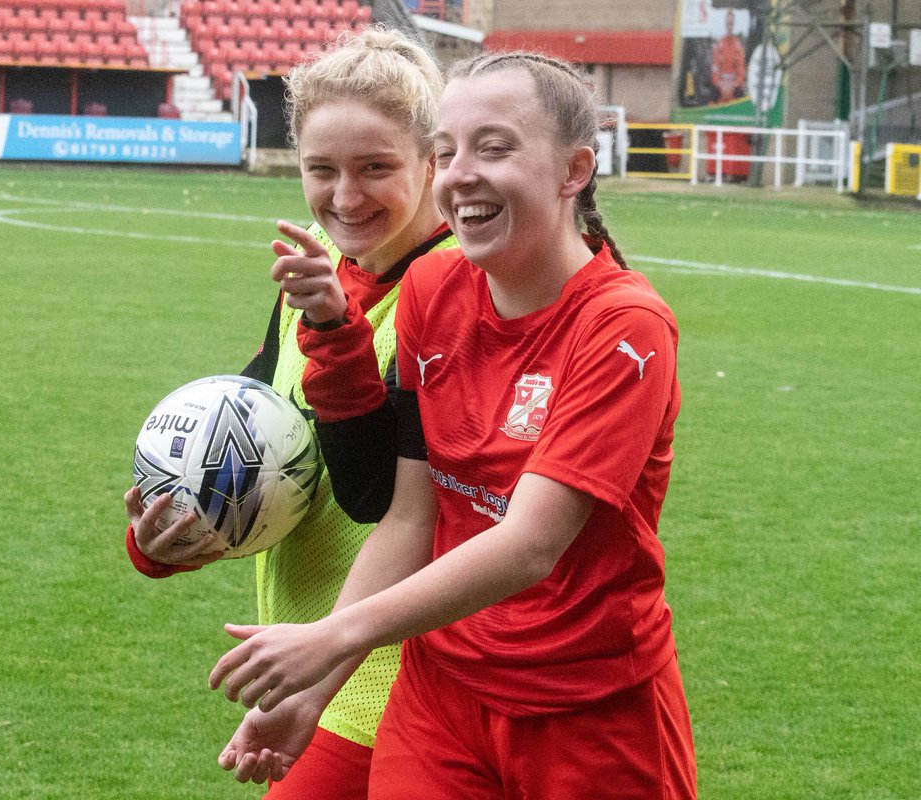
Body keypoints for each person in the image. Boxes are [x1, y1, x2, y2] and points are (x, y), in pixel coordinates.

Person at [209, 50, 697, 800]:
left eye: (494, 148)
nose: (459, 174)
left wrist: (330, 638)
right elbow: (409, 517)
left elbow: (530, 544)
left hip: (591, 709)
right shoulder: (436, 287)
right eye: (446, 152)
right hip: (440, 701)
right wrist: (316, 692)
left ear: (574, 171)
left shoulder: (624, 327)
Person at [124, 26, 456, 798]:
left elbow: (374, 491)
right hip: (315, 650)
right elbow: (269, 428)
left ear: (432, 160)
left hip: (388, 662)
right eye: (321, 169)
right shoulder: (315, 258)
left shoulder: (452, 290)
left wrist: (337, 330)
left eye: (377, 168)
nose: (345, 196)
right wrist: (177, 531)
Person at [711, 9, 746, 102]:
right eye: (728, 23)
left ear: (734, 25)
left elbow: (741, 71)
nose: (729, 26)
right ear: (725, 24)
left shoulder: (739, 46)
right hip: (720, 86)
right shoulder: (719, 45)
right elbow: (715, 69)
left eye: (731, 23)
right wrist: (720, 84)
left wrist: (734, 85)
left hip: (734, 87)